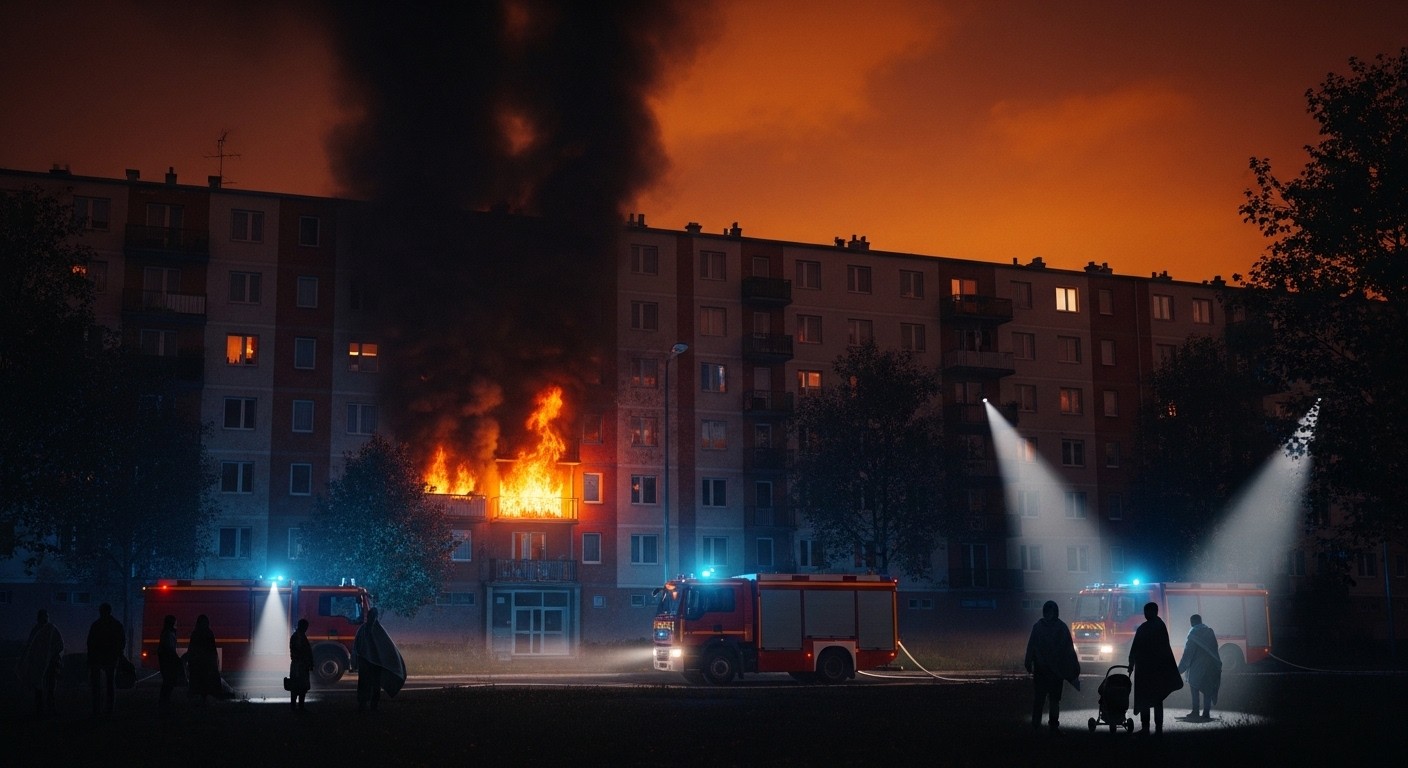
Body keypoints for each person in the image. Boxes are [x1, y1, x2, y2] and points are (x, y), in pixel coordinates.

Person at [1024, 600, 1081, 735]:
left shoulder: (1038, 627)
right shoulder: (1061, 628)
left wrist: (1028, 663)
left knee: (1040, 699)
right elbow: (1069, 650)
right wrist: (1074, 669)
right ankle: (1053, 727)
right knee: (1054, 700)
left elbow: (1031, 646)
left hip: (1041, 671)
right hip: (1056, 672)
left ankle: (1036, 725)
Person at [1128, 601, 1183, 734]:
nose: (1145, 614)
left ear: (1150, 612)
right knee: (1158, 698)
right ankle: (1158, 728)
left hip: (1145, 670)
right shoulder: (1160, 626)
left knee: (1144, 699)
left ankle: (1145, 727)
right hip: (1158, 670)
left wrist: (1131, 664)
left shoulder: (1144, 628)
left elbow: (1135, 648)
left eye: (1146, 612)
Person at [352, 607, 406, 711]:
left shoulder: (364, 629)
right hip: (374, 664)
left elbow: (357, 646)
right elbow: (387, 647)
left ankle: (365, 705)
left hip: (368, 664)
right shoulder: (378, 630)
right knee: (372, 685)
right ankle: (370, 705)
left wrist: (357, 660)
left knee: (367, 684)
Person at [18, 609, 64, 717]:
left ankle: (46, 710)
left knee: (48, 687)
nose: (45, 619)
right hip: (40, 664)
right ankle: (43, 710)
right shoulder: (41, 630)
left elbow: (59, 645)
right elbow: (31, 647)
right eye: (44, 616)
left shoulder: (49, 629)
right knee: (43, 687)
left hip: (47, 664)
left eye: (46, 616)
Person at [1178, 613, 1222, 720]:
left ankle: (1195, 711)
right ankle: (1206, 712)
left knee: (1194, 687)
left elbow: (1188, 653)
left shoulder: (1193, 633)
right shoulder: (1210, 632)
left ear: (1192, 622)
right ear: (1201, 621)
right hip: (1211, 666)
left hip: (1197, 666)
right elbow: (1215, 649)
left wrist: (1179, 669)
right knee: (1208, 689)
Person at [86, 602, 125, 717]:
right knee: (110, 684)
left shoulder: (96, 625)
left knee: (96, 685)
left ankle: (96, 708)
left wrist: (90, 657)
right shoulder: (116, 625)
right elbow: (121, 641)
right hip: (110, 658)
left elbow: (90, 642)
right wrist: (118, 654)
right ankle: (109, 708)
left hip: (97, 658)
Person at [185, 614, 222, 705]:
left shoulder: (195, 633)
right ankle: (205, 701)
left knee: (197, 683)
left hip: (197, 663)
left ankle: (196, 703)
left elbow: (191, 649)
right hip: (207, 663)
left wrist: (190, 661)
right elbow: (212, 649)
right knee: (207, 683)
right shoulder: (209, 632)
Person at [157, 614, 185, 715]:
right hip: (168, 661)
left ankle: (163, 703)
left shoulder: (165, 633)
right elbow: (170, 649)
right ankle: (164, 703)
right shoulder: (169, 634)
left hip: (165, 660)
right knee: (169, 682)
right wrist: (177, 659)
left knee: (167, 682)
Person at [289, 618, 313, 711]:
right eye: (306, 627)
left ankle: (295, 706)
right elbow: (303, 652)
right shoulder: (300, 637)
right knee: (301, 686)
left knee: (295, 686)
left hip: (297, 665)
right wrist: (309, 663)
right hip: (300, 665)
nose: (306, 628)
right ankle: (299, 707)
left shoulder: (297, 635)